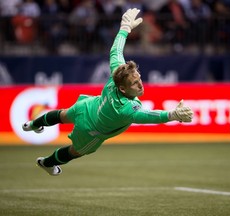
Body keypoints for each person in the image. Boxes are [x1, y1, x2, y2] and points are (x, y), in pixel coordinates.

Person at [22, 8, 193, 176]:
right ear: (123, 89)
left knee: (62, 115)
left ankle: (33, 124)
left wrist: (124, 29)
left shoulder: (117, 74)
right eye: (135, 84)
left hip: (87, 106)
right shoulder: (126, 108)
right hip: (90, 130)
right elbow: (149, 116)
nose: (140, 85)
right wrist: (173, 115)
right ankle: (46, 163)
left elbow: (116, 51)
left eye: (139, 79)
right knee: (76, 151)